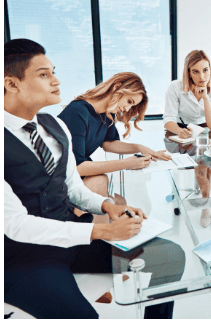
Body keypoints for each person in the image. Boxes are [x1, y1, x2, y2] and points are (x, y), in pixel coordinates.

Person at [4, 39, 182, 319]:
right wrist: (101, 231)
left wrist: (109, 207)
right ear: (12, 84)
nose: (56, 80)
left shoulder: (55, 126)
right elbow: (15, 225)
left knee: (169, 256)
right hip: (25, 256)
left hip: (71, 237)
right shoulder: (74, 114)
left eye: (53, 71)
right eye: (44, 74)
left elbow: (73, 187)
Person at [58, 73, 171, 223]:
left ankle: (113, 235)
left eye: (132, 105)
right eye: (129, 101)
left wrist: (139, 147)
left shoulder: (107, 113)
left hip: (76, 172)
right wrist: (128, 163)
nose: (127, 108)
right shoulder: (78, 111)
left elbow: (109, 143)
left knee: (121, 201)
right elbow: (78, 167)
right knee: (109, 194)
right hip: (60, 177)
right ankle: (103, 235)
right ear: (117, 87)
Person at [163, 49, 211, 138]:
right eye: (195, 71)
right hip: (179, 128)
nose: (202, 77)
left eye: (205, 70)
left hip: (205, 130)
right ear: (189, 73)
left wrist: (205, 98)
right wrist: (179, 131)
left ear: (210, 70)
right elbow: (168, 119)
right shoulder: (175, 87)